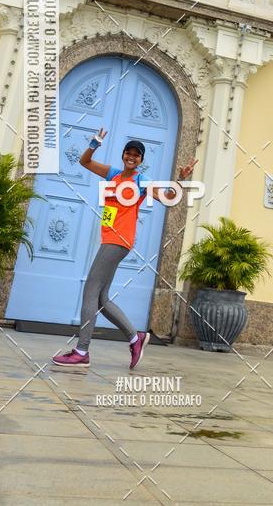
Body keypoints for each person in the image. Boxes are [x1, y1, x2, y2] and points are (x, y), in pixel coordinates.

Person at [52, 129, 196, 370]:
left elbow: (169, 198)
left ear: (141, 160)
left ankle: (82, 351)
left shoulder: (141, 181)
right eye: (128, 153)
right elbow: (84, 161)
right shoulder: (113, 175)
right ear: (123, 155)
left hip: (119, 241)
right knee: (101, 298)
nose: (131, 157)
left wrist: (181, 180)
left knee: (90, 290)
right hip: (110, 239)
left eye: (136, 155)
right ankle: (135, 337)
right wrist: (95, 142)